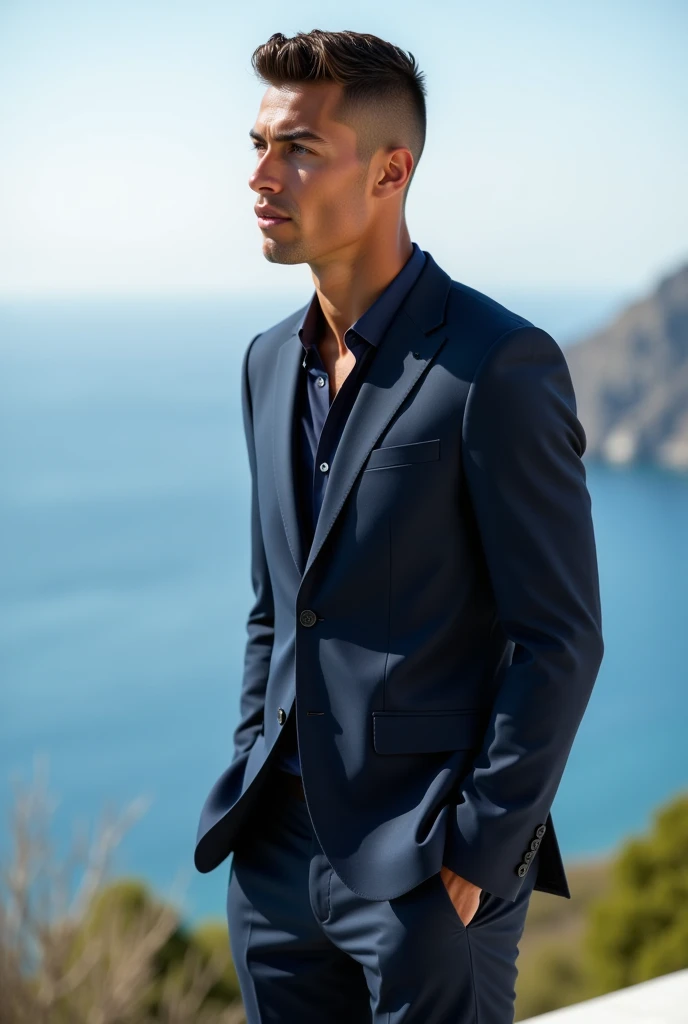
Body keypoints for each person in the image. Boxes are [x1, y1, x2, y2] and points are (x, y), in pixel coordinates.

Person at [194, 28, 604, 1024]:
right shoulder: (261, 364)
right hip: (275, 861)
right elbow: (276, 606)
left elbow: (559, 639)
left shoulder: (495, 363)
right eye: (256, 145)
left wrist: (475, 853)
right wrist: (256, 759)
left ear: (390, 170)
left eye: (296, 148)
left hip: (427, 871)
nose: (260, 175)